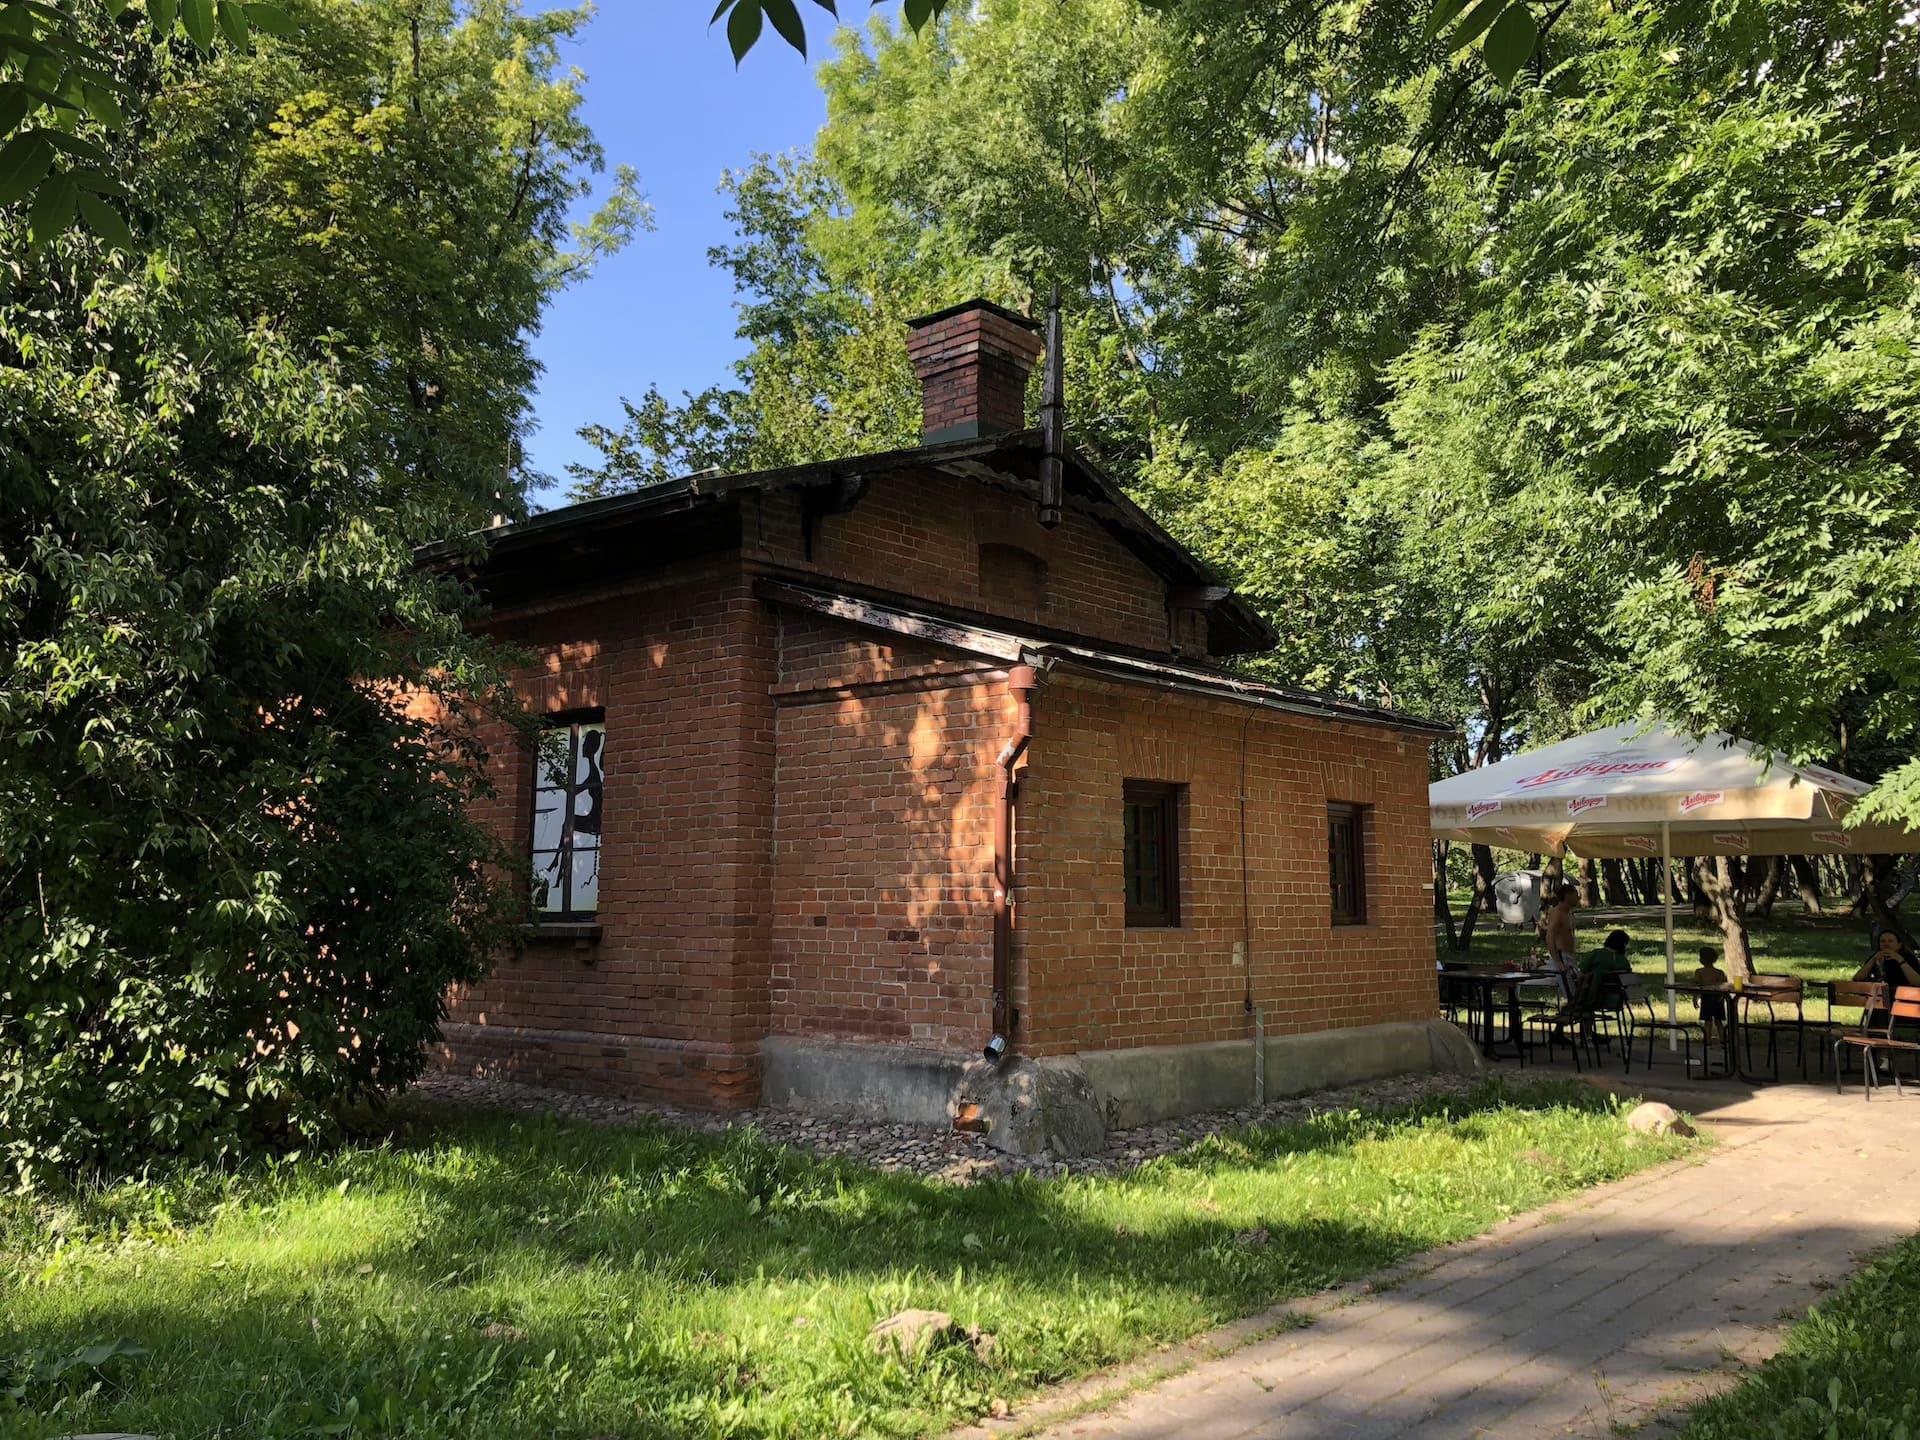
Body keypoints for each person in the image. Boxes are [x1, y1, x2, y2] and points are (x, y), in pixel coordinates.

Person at [1538, 886, 1580, 999]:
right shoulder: (1557, 913)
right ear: (1568, 896)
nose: (1578, 897)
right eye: (1576, 894)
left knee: (1578, 991)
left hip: (1569, 957)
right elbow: (1550, 937)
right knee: (1571, 995)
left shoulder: (1569, 913)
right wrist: (1558, 962)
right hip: (1562, 957)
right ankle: (1569, 1014)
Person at [1691, 945, 1730, 1046]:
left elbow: (1697, 985)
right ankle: (1723, 1040)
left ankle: (1707, 1040)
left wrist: (1695, 998)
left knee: (1708, 1022)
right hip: (1718, 998)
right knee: (1719, 1021)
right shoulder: (1719, 972)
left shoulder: (1699, 972)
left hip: (1707, 998)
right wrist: (1722, 997)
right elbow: (1723, 985)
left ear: (1702, 959)